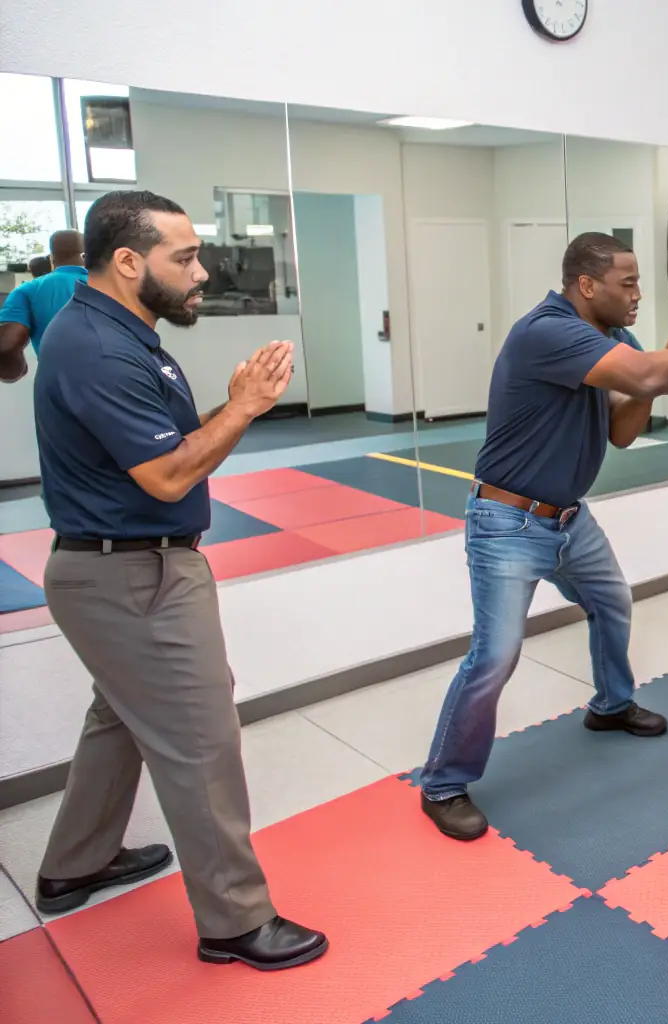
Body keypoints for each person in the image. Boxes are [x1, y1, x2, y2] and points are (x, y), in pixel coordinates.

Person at [31, 190, 326, 970]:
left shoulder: (123, 330)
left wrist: (228, 410)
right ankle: (234, 920)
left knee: (122, 717)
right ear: (129, 262)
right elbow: (166, 472)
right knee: (199, 738)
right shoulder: (96, 345)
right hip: (132, 573)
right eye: (185, 257)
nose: (202, 271)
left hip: (122, 569)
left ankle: (75, 863)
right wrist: (245, 407)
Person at [419, 232, 668, 840]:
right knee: (494, 656)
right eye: (627, 283)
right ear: (586, 285)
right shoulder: (546, 331)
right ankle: (443, 783)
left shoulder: (612, 339)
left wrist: (655, 382)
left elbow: (623, 429)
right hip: (507, 523)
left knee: (612, 602)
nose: (637, 295)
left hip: (570, 519)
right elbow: (651, 375)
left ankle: (611, 706)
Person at [0, 230, 87, 384]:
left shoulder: (28, 290)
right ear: (86, 255)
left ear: (52, 258)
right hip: (124, 382)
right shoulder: (116, 285)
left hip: (60, 387)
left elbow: (6, 345)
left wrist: (16, 371)